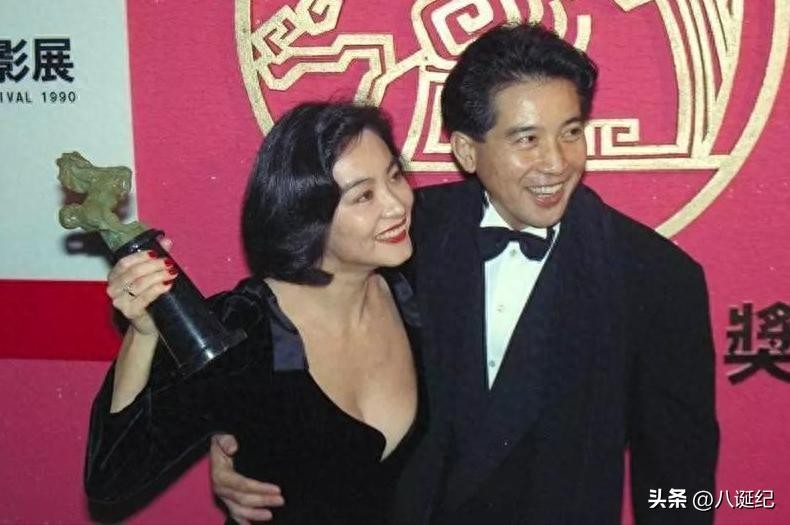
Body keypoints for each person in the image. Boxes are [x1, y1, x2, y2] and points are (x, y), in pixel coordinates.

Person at [210, 22, 719, 524]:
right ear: (466, 151)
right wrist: (243, 441)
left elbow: (680, 484)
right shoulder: (403, 235)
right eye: (527, 139)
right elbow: (296, 327)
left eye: (570, 132)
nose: (557, 162)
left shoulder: (657, 279)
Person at [84, 102, 424, 524]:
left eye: (395, 175)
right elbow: (113, 475)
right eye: (363, 196)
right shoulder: (243, 330)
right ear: (306, 215)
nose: (397, 204)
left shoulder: (419, 287)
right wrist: (144, 333)